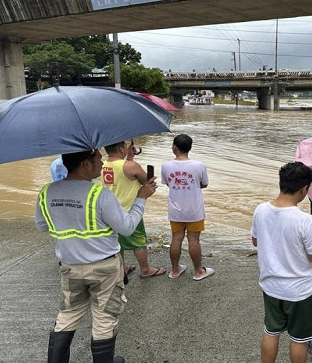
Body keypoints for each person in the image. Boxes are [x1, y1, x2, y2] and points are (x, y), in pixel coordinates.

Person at [35, 149, 157, 363]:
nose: (102, 163)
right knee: (104, 318)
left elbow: (42, 225)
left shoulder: (46, 192)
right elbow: (127, 228)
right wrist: (141, 198)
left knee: (68, 315)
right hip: (104, 269)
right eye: (97, 159)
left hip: (70, 266)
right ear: (85, 163)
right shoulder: (99, 194)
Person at [251, 162, 312, 363]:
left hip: (271, 286)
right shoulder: (304, 220)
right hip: (300, 291)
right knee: (299, 340)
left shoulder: (261, 210)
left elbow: (256, 241)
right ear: (304, 189)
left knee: (271, 332)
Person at [102, 141, 166, 281]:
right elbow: (146, 181)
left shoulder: (103, 165)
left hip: (110, 211)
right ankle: (145, 269)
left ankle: (122, 267)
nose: (127, 147)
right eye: (125, 146)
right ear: (120, 149)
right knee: (138, 241)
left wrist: (129, 157)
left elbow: (122, 174)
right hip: (129, 210)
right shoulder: (131, 166)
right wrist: (131, 161)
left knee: (118, 241)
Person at [160, 134, 213, 280]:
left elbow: (168, 183)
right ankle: (198, 271)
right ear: (189, 148)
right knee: (194, 240)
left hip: (175, 209)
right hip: (194, 209)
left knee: (176, 239)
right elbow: (204, 184)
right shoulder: (199, 165)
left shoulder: (166, 166)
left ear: (174, 148)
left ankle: (175, 270)